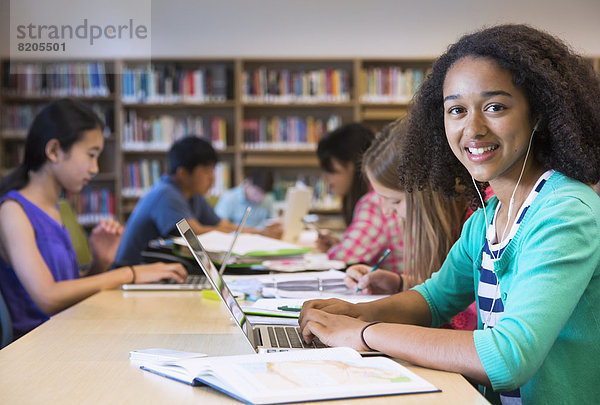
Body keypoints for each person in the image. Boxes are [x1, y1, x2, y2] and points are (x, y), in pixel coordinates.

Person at [299, 24, 600, 404]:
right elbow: (434, 299)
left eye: (495, 107)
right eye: (456, 110)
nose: (472, 128)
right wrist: (354, 314)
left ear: (538, 113)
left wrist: (362, 333)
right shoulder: (489, 216)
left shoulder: (565, 212)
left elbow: (508, 358)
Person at [0, 99, 187, 340]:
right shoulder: (12, 211)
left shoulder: (57, 208)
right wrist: (130, 273)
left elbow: (69, 294)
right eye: (91, 155)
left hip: (68, 333)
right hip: (38, 347)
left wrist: (100, 263)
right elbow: (48, 297)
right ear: (54, 151)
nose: (95, 168)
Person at [344, 120, 477, 330]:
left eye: (395, 201)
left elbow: (468, 319)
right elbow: (452, 294)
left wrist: (371, 332)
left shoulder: (477, 224)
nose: (386, 211)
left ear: (426, 195)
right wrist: (400, 283)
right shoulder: (456, 224)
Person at [115, 137, 240, 266]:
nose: (212, 177)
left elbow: (222, 224)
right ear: (183, 173)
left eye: (213, 170)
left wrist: (258, 233)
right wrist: (240, 234)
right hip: (130, 274)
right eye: (206, 171)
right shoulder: (166, 194)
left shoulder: (193, 194)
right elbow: (195, 234)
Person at [316, 123, 403, 274]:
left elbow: (344, 257)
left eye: (331, 171)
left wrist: (336, 249)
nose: (325, 178)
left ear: (353, 166)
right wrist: (339, 244)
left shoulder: (374, 202)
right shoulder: (384, 196)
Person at [214, 169, 282, 237]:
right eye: (257, 192)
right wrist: (257, 232)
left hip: (262, 240)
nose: (260, 198)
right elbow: (219, 226)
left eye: (264, 194)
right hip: (238, 240)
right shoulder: (229, 198)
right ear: (248, 182)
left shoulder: (268, 198)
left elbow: (274, 218)